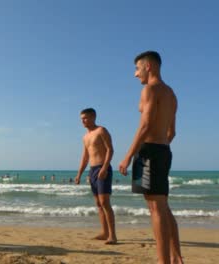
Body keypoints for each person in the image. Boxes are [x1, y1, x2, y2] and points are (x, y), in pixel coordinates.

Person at [118, 51, 182, 264]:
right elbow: (171, 132)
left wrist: (128, 156)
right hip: (164, 151)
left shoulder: (150, 90)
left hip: (149, 152)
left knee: (155, 209)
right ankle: (176, 257)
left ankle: (164, 261)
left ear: (149, 67)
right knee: (163, 206)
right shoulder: (171, 94)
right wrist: (160, 148)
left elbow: (145, 125)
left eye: (137, 68)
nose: (135, 74)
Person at [75, 108, 117, 244]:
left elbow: (110, 149)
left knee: (105, 202)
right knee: (98, 204)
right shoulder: (85, 137)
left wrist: (105, 167)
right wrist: (79, 173)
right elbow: (85, 156)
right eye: (82, 118)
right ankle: (105, 233)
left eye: (85, 118)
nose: (83, 121)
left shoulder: (101, 131)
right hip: (92, 170)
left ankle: (113, 236)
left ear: (93, 117)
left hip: (102, 168)